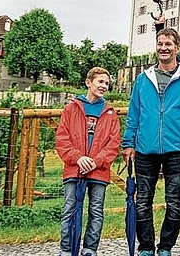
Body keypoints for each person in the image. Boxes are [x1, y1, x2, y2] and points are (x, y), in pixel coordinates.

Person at [122, 28, 180, 256]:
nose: (163, 47)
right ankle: (146, 246)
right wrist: (128, 143)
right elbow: (134, 114)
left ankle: (166, 246)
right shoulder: (142, 79)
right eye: (160, 43)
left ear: (177, 48)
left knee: (174, 201)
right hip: (145, 148)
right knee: (143, 200)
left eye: (168, 44)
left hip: (177, 149)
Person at [56, 67, 121, 256]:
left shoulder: (110, 112)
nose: (104, 86)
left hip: (98, 170)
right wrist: (78, 158)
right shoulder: (71, 108)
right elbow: (62, 139)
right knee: (70, 208)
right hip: (74, 168)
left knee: (96, 210)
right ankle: (66, 249)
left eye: (107, 83)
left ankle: (90, 249)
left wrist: (96, 160)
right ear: (88, 82)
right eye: (100, 82)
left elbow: (113, 143)